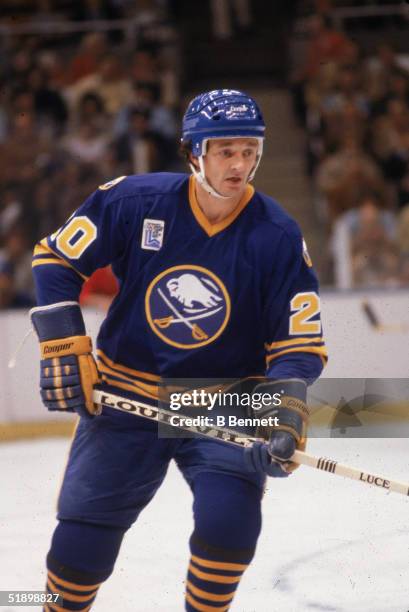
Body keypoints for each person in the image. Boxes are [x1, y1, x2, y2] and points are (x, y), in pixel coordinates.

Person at [30, 89, 327, 611]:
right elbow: (55, 260)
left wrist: (287, 407)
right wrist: (63, 341)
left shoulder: (277, 235)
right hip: (125, 392)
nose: (240, 164)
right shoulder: (133, 201)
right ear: (194, 152)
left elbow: (298, 340)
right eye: (225, 150)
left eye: (250, 150)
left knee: (229, 529)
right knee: (79, 555)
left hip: (229, 399)